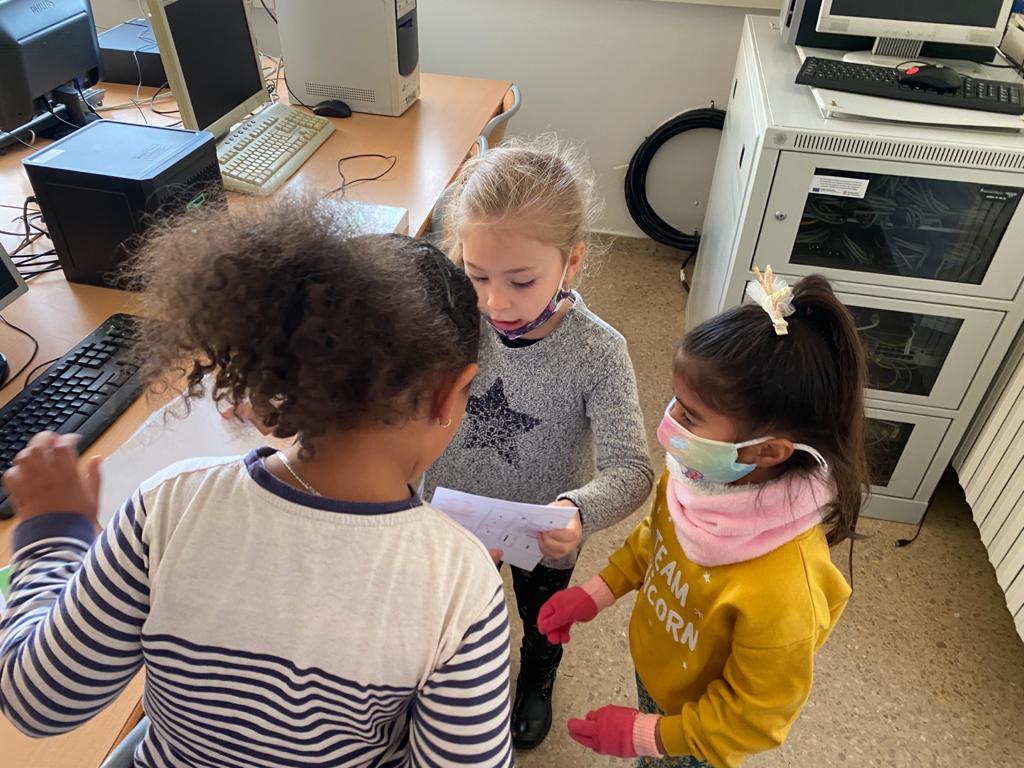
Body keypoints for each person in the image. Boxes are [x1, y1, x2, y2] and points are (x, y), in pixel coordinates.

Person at [0, 200, 514, 767]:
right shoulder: (461, 584)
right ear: (450, 393)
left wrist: (53, 531)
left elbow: (38, 703)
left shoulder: (167, 505)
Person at [539, 269, 868, 767]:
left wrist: (646, 736)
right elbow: (656, 539)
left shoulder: (784, 593)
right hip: (662, 676)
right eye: (677, 402)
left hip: (701, 732)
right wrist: (597, 592)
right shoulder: (695, 479)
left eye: (690, 416)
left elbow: (751, 719)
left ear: (766, 451)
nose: (669, 419)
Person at [424, 136, 654, 749]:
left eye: (522, 281)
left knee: (542, 615)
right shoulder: (456, 317)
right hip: (448, 511)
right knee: (451, 608)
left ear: (571, 263)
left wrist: (578, 510)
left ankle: (537, 676)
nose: (494, 302)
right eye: (476, 275)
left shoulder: (599, 352)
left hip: (541, 528)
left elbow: (633, 469)